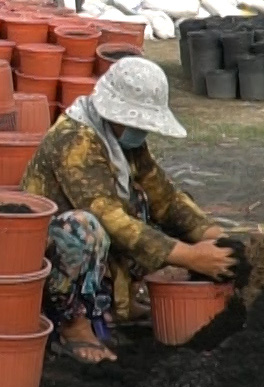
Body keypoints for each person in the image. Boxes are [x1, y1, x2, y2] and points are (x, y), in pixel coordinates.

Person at [20, 56, 235, 363]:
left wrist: (217, 237)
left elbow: (166, 198)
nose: (141, 131)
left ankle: (123, 300)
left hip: (102, 247)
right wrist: (192, 257)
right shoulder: (75, 139)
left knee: (151, 206)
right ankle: (74, 325)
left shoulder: (125, 140)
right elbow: (109, 217)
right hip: (49, 251)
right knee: (82, 229)